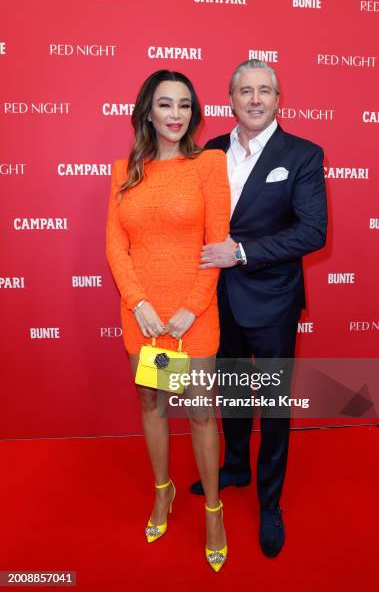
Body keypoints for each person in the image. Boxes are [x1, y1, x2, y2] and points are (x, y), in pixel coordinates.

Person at [190, 59, 327, 557]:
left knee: (272, 404)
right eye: (244, 91)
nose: (254, 99)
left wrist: (243, 252)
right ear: (230, 99)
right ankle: (236, 468)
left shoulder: (304, 154)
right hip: (214, 298)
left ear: (277, 99)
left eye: (264, 90)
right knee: (230, 390)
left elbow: (313, 231)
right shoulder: (210, 150)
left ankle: (270, 502)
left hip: (271, 300)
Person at [106, 70, 230, 571]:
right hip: (145, 318)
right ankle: (163, 491)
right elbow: (116, 244)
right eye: (165, 104)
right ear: (148, 112)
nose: (175, 114)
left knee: (200, 413)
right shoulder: (125, 170)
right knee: (153, 405)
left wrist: (189, 309)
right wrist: (139, 304)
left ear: (193, 112)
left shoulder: (209, 165)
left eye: (184, 105)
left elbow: (217, 245)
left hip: (191, 317)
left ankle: (215, 512)